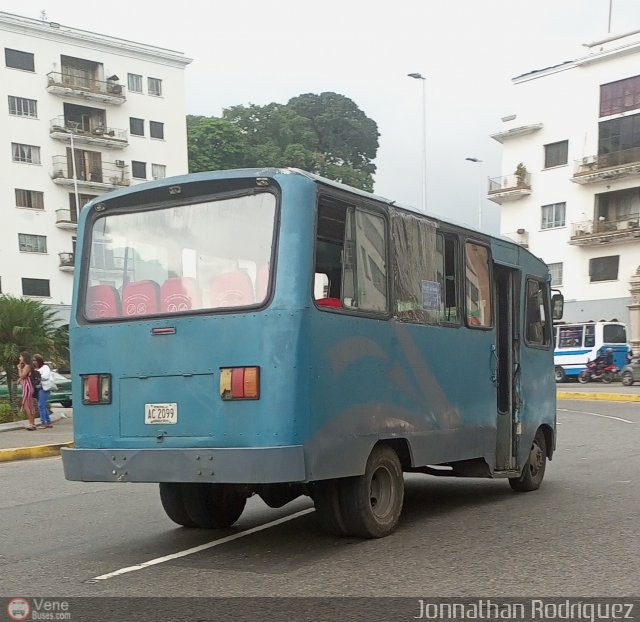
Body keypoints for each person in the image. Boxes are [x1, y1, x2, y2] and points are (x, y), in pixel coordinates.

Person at [17, 352, 37, 430]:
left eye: (20, 356)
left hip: (27, 386)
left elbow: (22, 376)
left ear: (24, 357)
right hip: (26, 386)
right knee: (29, 405)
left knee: (26, 405)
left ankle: (31, 423)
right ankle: (32, 423)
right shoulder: (27, 366)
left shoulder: (27, 366)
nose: (19, 358)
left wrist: (19, 368)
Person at [33, 355, 53, 429]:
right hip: (37, 388)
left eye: (35, 360)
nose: (34, 362)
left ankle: (43, 422)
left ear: (39, 361)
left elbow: (45, 376)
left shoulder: (45, 367)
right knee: (43, 405)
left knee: (41, 405)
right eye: (33, 360)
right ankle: (48, 421)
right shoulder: (36, 369)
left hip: (44, 388)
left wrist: (38, 376)